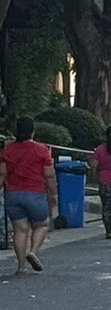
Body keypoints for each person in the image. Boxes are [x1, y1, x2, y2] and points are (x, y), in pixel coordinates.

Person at [0, 117, 57, 274]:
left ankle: (20, 265)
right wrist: (54, 193)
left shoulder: (8, 150)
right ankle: (33, 252)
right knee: (42, 224)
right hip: (35, 194)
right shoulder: (41, 150)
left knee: (20, 230)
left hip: (12, 194)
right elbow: (49, 175)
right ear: (33, 131)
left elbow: (2, 174)